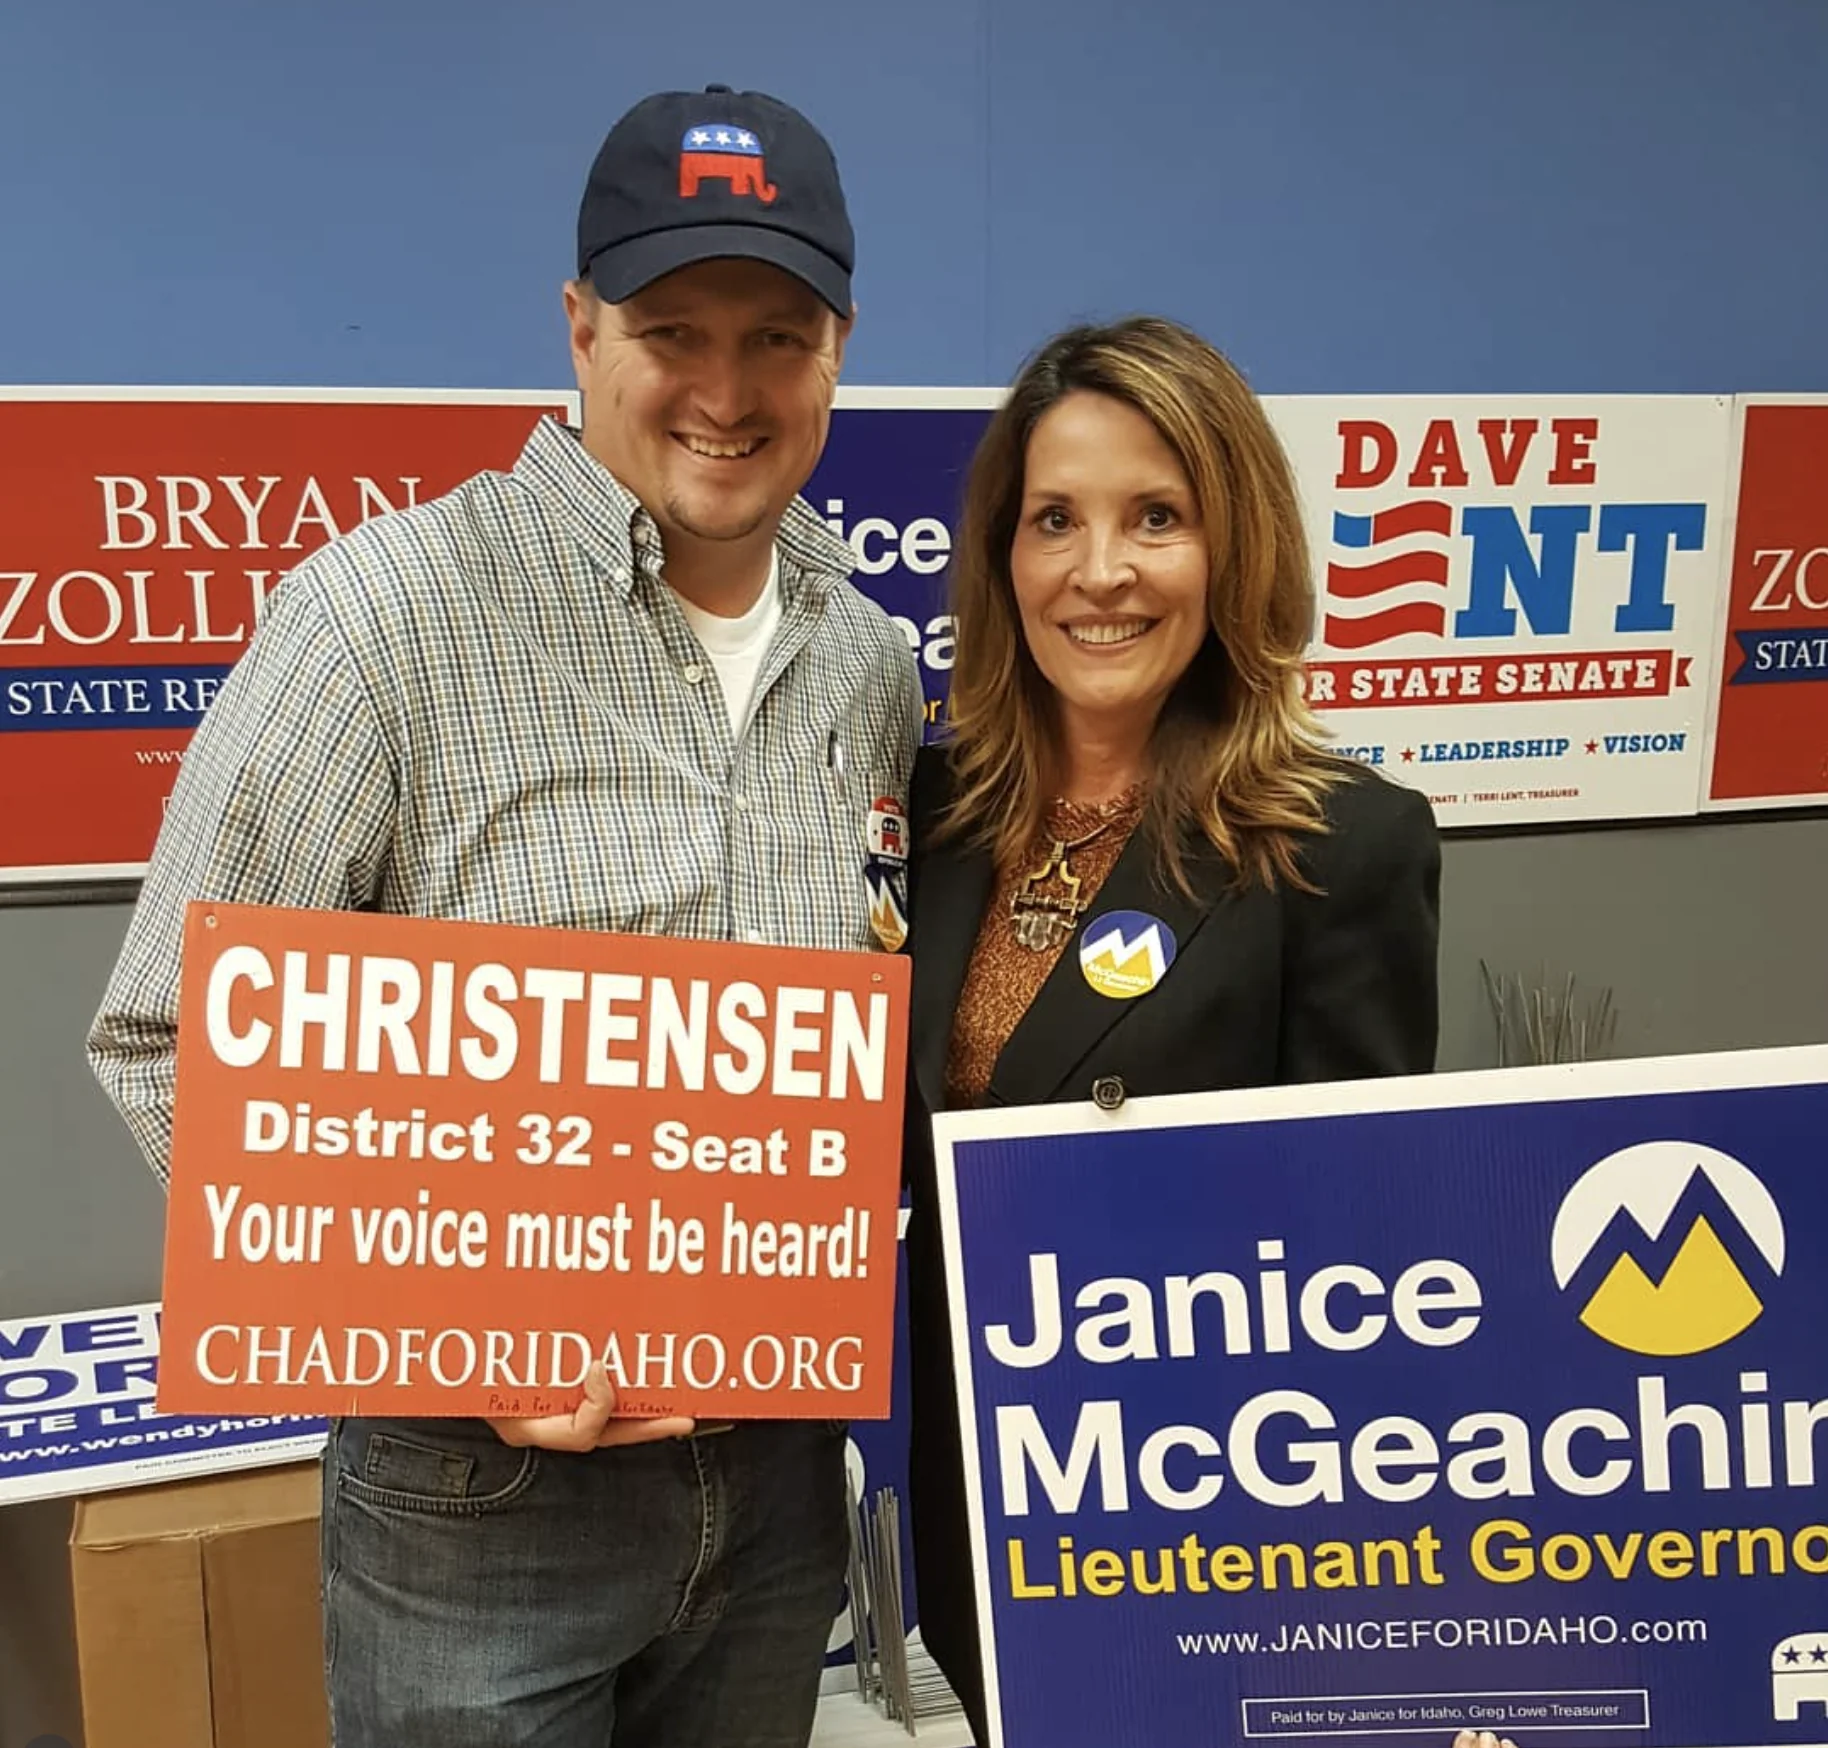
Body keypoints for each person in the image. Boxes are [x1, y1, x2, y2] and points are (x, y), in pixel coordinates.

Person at [87, 85, 923, 1748]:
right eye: (672, 327)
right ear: (578, 324)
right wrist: (457, 1322)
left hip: (774, 1487)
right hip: (475, 1502)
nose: (728, 390)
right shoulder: (380, 620)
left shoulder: (869, 661)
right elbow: (165, 1037)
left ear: (839, 344)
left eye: (778, 334)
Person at [899, 316, 1442, 1741]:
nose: (1099, 573)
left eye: (1157, 517)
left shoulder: (1336, 844)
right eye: (1054, 520)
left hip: (1216, 1519)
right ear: (1003, 556)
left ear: (1234, 549)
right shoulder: (929, 822)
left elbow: (1367, 1253)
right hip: (988, 1495)